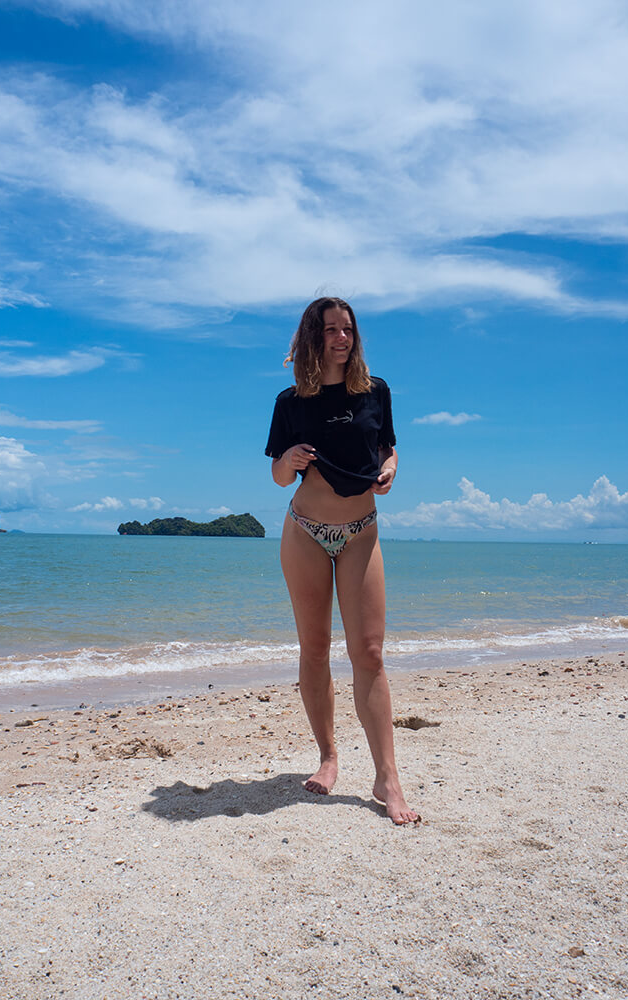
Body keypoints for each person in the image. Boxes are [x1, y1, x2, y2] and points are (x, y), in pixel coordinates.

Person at [265, 296, 419, 825]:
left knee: (370, 653)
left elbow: (389, 449)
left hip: (361, 531)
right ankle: (328, 757)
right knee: (314, 647)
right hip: (305, 531)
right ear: (313, 337)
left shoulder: (376, 392)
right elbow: (279, 476)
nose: (341, 338)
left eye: (347, 329)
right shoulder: (291, 402)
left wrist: (391, 469)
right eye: (330, 330)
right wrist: (288, 460)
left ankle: (387, 778)